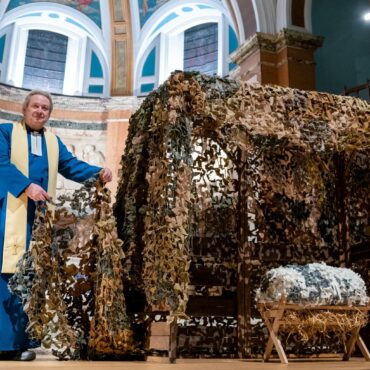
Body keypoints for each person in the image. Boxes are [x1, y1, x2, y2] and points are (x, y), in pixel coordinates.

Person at [0, 90, 112, 361]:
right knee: (8, 275)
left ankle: (22, 341)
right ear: (24, 109)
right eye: (35, 106)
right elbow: (0, 163)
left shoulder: (52, 141)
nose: (40, 111)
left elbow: (70, 166)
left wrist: (97, 172)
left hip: (39, 218)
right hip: (9, 214)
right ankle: (5, 345)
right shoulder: (5, 132)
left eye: (45, 108)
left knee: (31, 277)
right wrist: (26, 186)